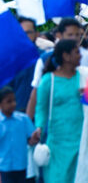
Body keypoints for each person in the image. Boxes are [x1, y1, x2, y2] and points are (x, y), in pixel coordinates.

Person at [34, 39, 85, 183]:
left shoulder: (84, 77)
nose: (81, 56)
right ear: (66, 56)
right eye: (77, 52)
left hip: (81, 143)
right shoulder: (48, 80)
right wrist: (39, 128)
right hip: (56, 145)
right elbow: (41, 110)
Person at [0, 87, 39, 183]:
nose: (13, 104)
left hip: (21, 164)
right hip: (4, 165)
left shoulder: (23, 119)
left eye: (14, 100)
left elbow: (30, 141)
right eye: (9, 101)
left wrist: (35, 138)